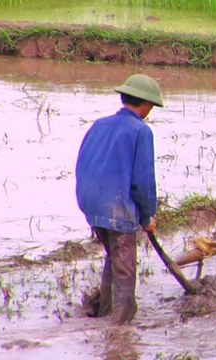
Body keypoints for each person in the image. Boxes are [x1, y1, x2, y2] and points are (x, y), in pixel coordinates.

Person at [75, 74, 164, 325]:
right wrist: (147, 216)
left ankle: (105, 312)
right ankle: (119, 329)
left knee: (114, 257)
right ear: (146, 105)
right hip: (118, 208)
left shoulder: (99, 125)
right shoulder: (141, 131)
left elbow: (83, 165)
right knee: (124, 268)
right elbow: (143, 181)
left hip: (92, 204)